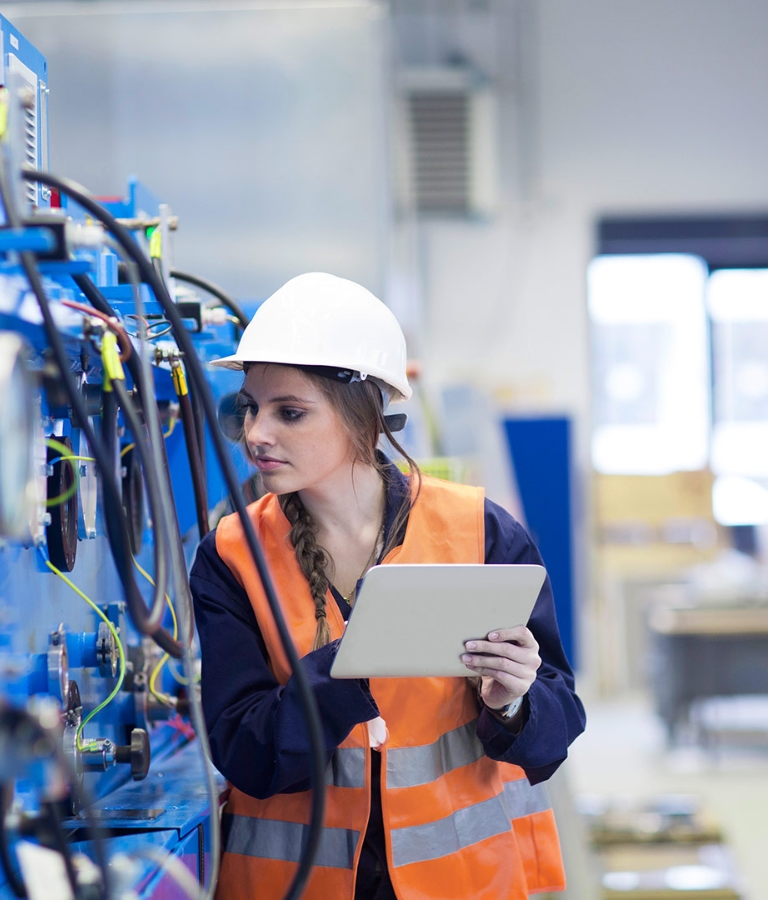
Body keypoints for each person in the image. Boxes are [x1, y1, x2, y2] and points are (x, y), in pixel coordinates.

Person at [190, 272, 586, 900]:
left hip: (462, 883)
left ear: (365, 419)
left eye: (289, 412)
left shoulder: (478, 531)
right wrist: (344, 676)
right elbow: (243, 752)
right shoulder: (232, 557)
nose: (257, 433)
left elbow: (557, 727)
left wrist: (513, 701)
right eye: (250, 408)